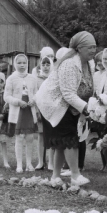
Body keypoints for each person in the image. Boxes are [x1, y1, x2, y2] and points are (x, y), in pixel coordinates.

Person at [36, 31, 97, 187]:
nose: (93, 50)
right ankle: (75, 175)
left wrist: (93, 103)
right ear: (79, 49)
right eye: (89, 47)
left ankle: (55, 176)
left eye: (94, 47)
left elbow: (89, 87)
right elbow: (68, 93)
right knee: (69, 139)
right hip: (54, 104)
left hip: (70, 105)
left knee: (63, 142)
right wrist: (87, 108)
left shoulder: (90, 64)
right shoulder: (69, 64)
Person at [4, 54, 39, 173]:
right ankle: (19, 164)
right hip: (18, 110)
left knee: (30, 137)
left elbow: (37, 93)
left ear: (27, 63)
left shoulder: (32, 78)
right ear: (15, 64)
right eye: (19, 63)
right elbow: (6, 96)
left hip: (29, 110)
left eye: (24, 63)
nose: (22, 65)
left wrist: (33, 100)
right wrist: (18, 102)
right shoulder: (11, 79)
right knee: (19, 137)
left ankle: (29, 163)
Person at [34, 54, 53, 170]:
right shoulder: (37, 79)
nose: (45, 67)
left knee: (51, 136)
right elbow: (35, 95)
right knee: (40, 136)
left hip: (51, 111)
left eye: (48, 64)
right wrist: (37, 111)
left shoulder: (54, 78)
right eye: (43, 64)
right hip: (40, 111)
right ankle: (41, 162)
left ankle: (51, 162)